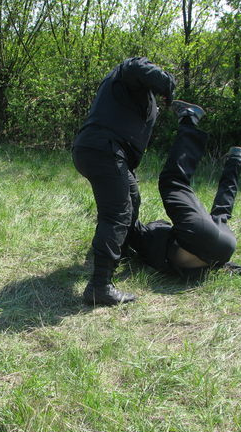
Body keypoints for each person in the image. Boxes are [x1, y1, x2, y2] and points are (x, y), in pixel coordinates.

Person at [128, 100, 241, 283]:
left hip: (225, 247)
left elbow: (127, 221)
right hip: (211, 247)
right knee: (173, 181)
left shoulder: (146, 239)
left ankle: (232, 158)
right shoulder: (149, 237)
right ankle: (191, 121)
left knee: (221, 212)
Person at [72, 57, 175, 306]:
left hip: (104, 150)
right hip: (104, 149)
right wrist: (168, 85)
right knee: (117, 213)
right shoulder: (128, 71)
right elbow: (137, 66)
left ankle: (121, 250)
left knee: (132, 199)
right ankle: (99, 286)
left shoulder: (128, 89)